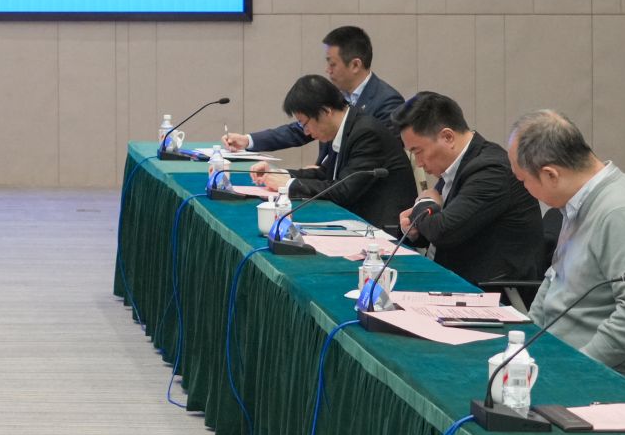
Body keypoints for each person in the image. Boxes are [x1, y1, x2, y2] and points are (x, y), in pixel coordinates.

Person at [508, 109, 625, 389]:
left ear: (550, 175)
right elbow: (554, 279)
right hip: (570, 362)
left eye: (523, 180)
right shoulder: (579, 202)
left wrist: (577, 368)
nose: (523, 189)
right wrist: (525, 340)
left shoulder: (621, 215)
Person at [394, 92, 545, 285]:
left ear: (448, 137)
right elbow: (441, 228)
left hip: (489, 290)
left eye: (418, 151)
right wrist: (414, 231)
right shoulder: (458, 164)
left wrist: (425, 202)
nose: (419, 163)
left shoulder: (492, 171)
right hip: (452, 277)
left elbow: (444, 231)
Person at [250, 74, 416, 233]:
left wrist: (289, 184)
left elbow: (343, 190)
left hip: (383, 231)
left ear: (325, 111)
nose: (306, 132)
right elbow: (326, 173)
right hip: (356, 220)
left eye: (305, 124)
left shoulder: (366, 133)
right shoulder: (343, 127)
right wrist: (281, 174)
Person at [222, 25, 405, 158]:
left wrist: (322, 174)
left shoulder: (387, 102)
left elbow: (377, 158)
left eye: (332, 64)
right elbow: (300, 129)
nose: (327, 70)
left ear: (355, 65)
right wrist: (248, 140)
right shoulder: (335, 94)